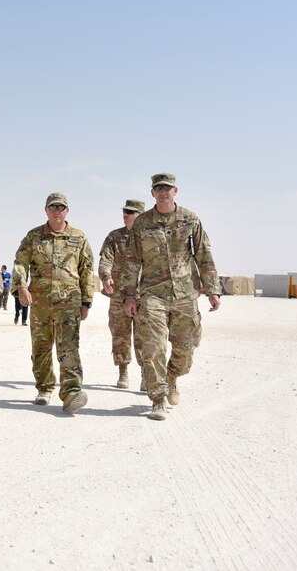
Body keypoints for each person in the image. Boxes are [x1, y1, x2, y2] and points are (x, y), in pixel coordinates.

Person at [121, 173, 220, 421]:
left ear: (175, 191)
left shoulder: (190, 219)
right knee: (154, 346)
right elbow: (132, 262)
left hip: (185, 294)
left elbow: (204, 254)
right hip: (152, 294)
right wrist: (129, 296)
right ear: (152, 193)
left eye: (167, 188)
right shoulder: (142, 223)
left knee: (186, 348)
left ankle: (172, 376)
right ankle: (158, 399)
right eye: (158, 188)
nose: (163, 192)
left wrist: (212, 290)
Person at [13, 193, 96, 413]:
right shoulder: (34, 236)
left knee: (69, 347)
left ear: (67, 211)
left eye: (61, 207)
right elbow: (20, 263)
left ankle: (71, 392)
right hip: (40, 303)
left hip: (69, 304)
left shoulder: (79, 237)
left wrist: (87, 301)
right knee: (41, 348)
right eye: (53, 207)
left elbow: (87, 270)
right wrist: (21, 286)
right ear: (46, 210)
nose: (57, 211)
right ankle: (44, 388)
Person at [96, 199, 145, 391]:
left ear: (140, 215)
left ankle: (146, 374)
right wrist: (106, 277)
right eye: (124, 211)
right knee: (119, 335)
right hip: (118, 296)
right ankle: (123, 372)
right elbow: (105, 260)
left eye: (130, 212)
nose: (125, 215)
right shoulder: (114, 237)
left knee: (145, 337)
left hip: (144, 296)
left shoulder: (149, 237)